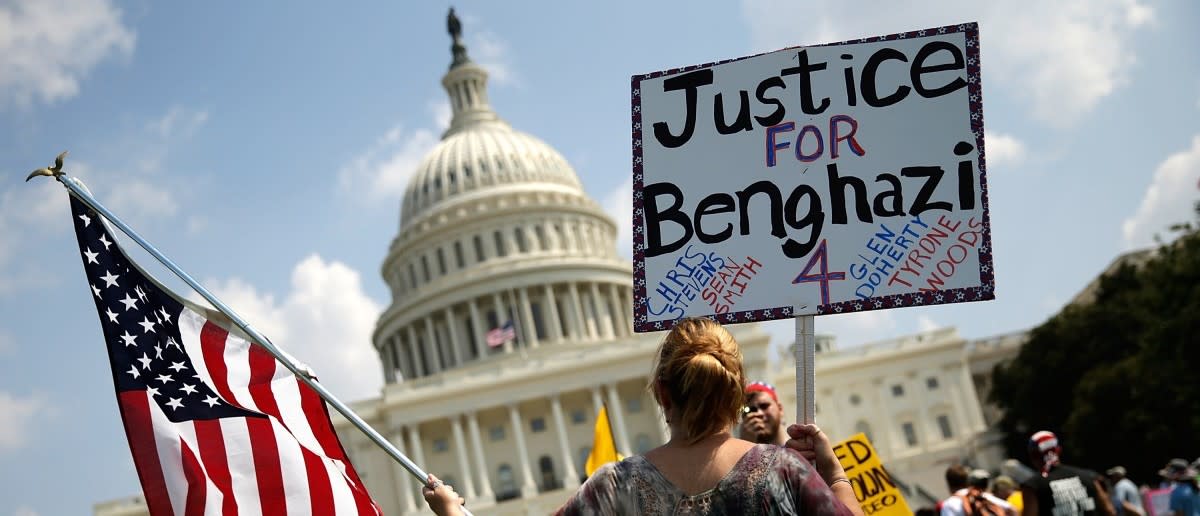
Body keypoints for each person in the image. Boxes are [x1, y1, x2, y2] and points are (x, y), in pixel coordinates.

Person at [423, 317, 863, 515]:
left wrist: (452, 513)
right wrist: (834, 473)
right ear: (734, 392)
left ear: (660, 392)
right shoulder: (782, 469)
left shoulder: (615, 486)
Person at [1020, 430, 1115, 516]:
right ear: (1058, 450)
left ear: (1033, 456)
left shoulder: (1033, 486)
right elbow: (1109, 511)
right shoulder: (1089, 477)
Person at [741, 380, 787, 445]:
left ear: (780, 409)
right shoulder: (739, 452)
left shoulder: (800, 449)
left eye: (764, 406)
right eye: (751, 410)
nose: (759, 413)